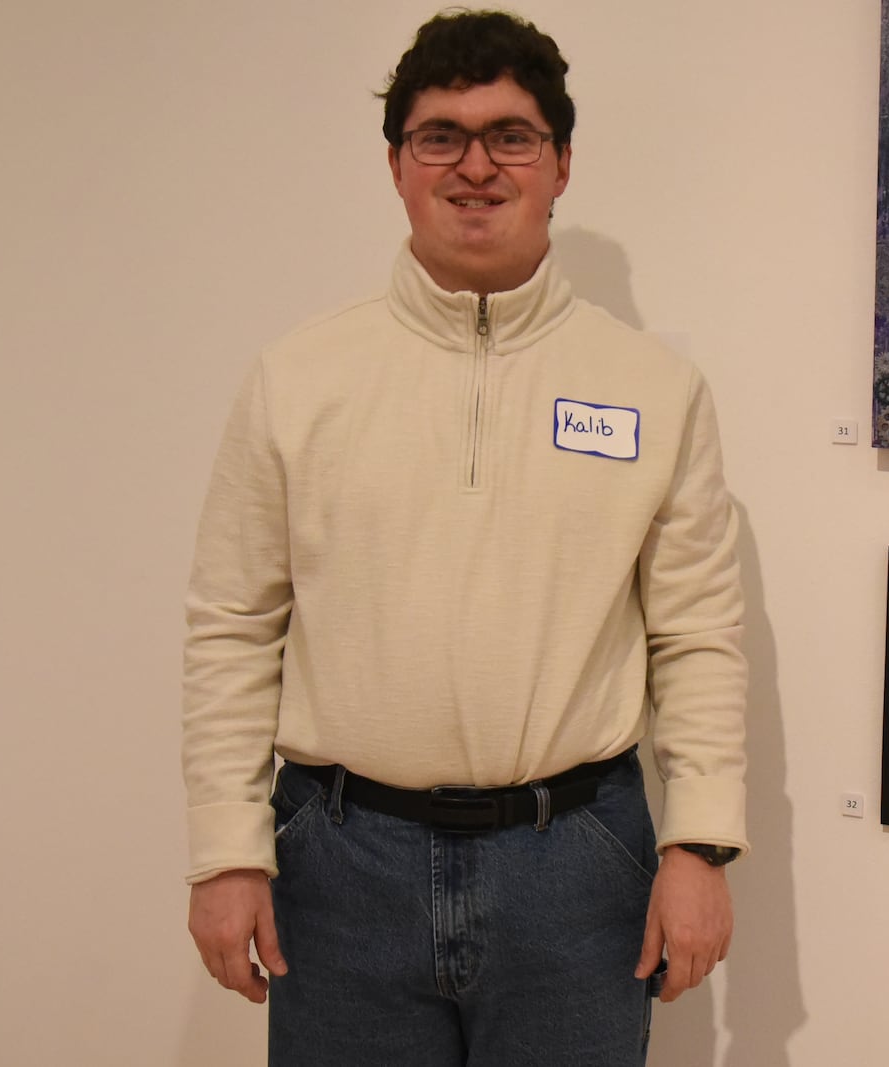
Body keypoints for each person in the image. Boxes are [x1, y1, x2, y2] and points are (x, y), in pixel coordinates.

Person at [180, 11, 747, 1064]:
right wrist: (227, 852)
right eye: (440, 134)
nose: (476, 164)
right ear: (397, 164)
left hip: (577, 862)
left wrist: (700, 841)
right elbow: (231, 625)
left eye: (511, 135)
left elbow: (698, 632)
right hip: (340, 863)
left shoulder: (652, 391)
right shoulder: (298, 379)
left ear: (562, 163)